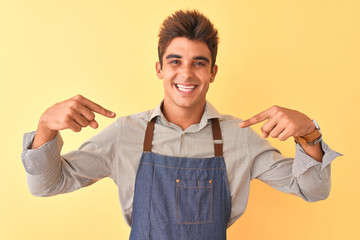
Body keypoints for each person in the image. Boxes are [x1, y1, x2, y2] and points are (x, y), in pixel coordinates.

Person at [21, 10, 341, 240]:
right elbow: (46, 185)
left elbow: (312, 190)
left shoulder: (239, 137)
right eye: (176, 61)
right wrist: (46, 127)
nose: (186, 74)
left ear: (212, 72)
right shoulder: (125, 135)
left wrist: (308, 133)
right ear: (160, 69)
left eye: (198, 63)